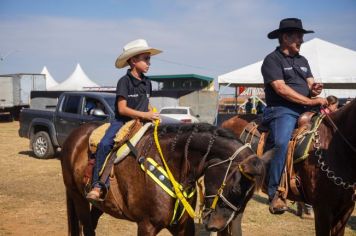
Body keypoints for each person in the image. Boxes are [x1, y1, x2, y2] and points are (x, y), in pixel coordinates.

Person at [261, 18, 328, 214]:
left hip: (307, 109)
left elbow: (310, 85)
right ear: (284, 37)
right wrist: (310, 101)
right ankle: (275, 193)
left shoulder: (303, 60)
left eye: (302, 36)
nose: (301, 40)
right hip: (283, 109)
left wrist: (314, 90)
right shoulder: (272, 60)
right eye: (298, 36)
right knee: (281, 143)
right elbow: (281, 89)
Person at [86, 39, 161, 202]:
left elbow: (146, 104)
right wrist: (145, 115)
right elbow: (122, 109)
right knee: (105, 144)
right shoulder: (124, 82)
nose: (149, 63)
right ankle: (97, 185)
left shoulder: (147, 83)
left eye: (149, 59)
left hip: (142, 122)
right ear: (133, 60)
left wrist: (152, 112)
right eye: (146, 59)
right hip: (122, 122)